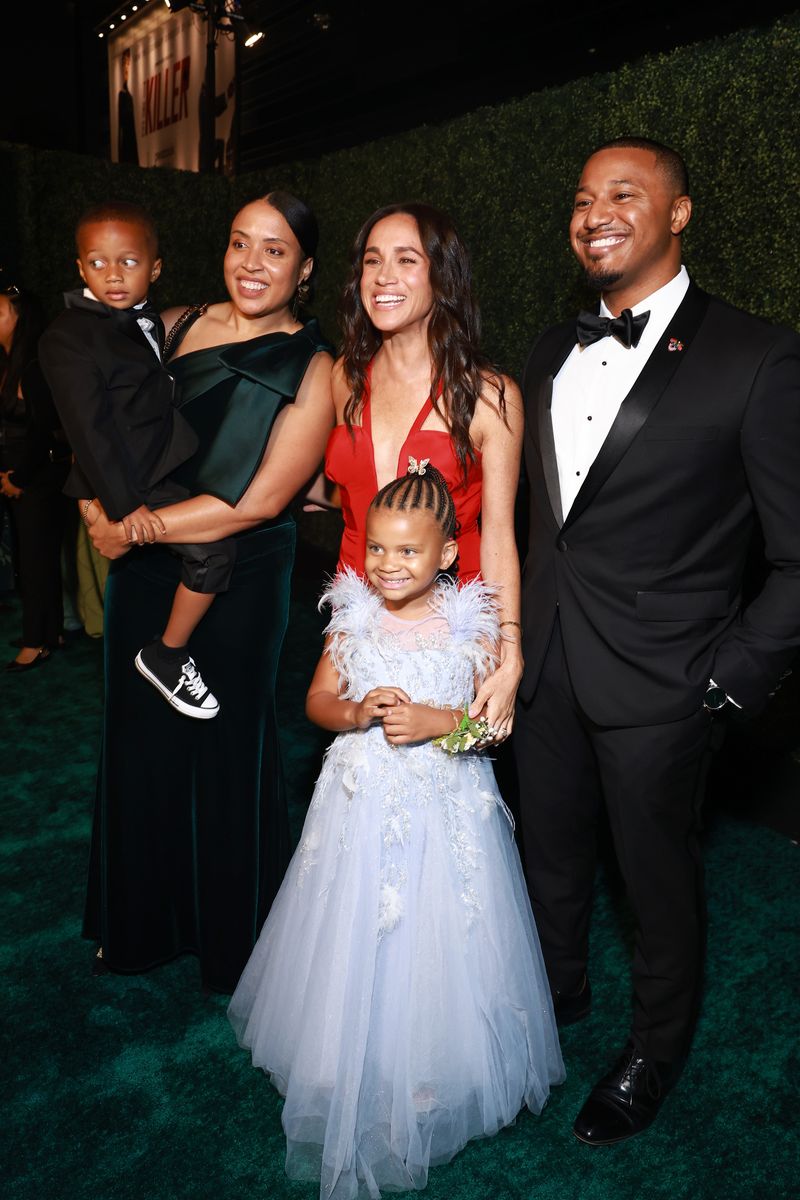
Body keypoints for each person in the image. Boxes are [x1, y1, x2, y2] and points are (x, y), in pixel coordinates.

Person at [515, 136, 800, 1146]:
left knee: (654, 880)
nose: (595, 210)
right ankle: (554, 998)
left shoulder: (756, 356)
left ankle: (654, 1048)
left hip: (666, 683)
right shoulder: (547, 348)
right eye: (582, 195)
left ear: (676, 214)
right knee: (545, 855)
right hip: (542, 663)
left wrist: (726, 680)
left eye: (623, 193)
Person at [229, 462, 564, 1200]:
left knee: (438, 936)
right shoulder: (352, 616)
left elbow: (492, 727)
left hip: (445, 811)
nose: (388, 564)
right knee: (352, 927)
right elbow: (318, 699)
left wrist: (442, 722)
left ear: (447, 553)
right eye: (377, 547)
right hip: (358, 805)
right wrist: (356, 714)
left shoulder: (472, 625)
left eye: (408, 551)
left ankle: (431, 1064)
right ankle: (341, 1051)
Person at [80, 190, 334, 991]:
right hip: (146, 571)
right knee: (138, 738)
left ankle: (232, 940)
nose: (252, 264)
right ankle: (141, 924)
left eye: (275, 250)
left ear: (304, 269)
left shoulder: (317, 365)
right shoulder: (177, 324)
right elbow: (103, 417)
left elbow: (259, 502)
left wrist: (134, 529)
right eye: (239, 243)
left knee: (228, 745)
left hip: (244, 572)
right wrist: (94, 498)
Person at [326, 202, 524, 743]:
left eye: (406, 260)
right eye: (372, 261)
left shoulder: (489, 395)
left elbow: (500, 533)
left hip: (453, 632)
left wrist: (509, 651)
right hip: (360, 620)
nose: (383, 277)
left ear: (442, 276)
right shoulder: (344, 378)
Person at [39, 200, 232, 718]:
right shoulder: (66, 336)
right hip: (132, 478)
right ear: (79, 268)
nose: (113, 275)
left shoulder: (147, 320)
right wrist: (123, 508)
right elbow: (90, 430)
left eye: (128, 262)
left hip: (164, 464)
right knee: (214, 554)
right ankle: (166, 656)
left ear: (155, 268)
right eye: (97, 263)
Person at [0, 281, 71, 671]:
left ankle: (34, 642)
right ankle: (51, 631)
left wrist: (19, 479)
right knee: (37, 559)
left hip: (37, 479)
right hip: (19, 475)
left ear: (19, 319)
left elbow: (44, 431)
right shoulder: (9, 362)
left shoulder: (33, 366)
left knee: (35, 563)